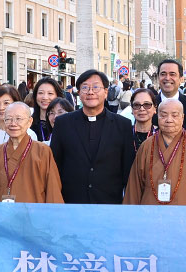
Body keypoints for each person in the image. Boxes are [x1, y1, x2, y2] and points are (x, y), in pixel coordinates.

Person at [50, 70, 136, 204]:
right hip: (71, 203)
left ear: (106, 92)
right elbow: (54, 165)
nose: (90, 92)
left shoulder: (122, 125)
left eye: (96, 87)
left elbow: (127, 169)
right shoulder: (63, 123)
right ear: (79, 93)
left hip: (109, 204)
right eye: (85, 88)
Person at [125, 98, 186, 205]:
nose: (169, 120)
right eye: (163, 115)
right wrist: (131, 216)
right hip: (150, 215)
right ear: (157, 117)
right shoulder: (147, 146)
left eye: (175, 115)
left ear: (182, 118)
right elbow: (134, 187)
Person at [0, 103, 63, 203]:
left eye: (18, 119)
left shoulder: (42, 151)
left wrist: (53, 216)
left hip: (33, 214)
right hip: (1, 215)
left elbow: (52, 189)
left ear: (29, 122)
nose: (13, 123)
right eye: (8, 119)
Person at [156, 59, 186, 126]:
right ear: (158, 77)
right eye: (163, 74)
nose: (167, 78)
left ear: (181, 79)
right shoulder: (149, 106)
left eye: (172, 74)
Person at [28, 77, 64, 143]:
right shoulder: (28, 123)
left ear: (58, 96)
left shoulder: (65, 122)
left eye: (50, 93)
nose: (45, 97)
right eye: (41, 93)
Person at [128, 87, 159, 154]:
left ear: (154, 109)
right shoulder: (124, 134)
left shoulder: (161, 135)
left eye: (147, 104)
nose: (142, 109)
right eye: (136, 105)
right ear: (132, 109)